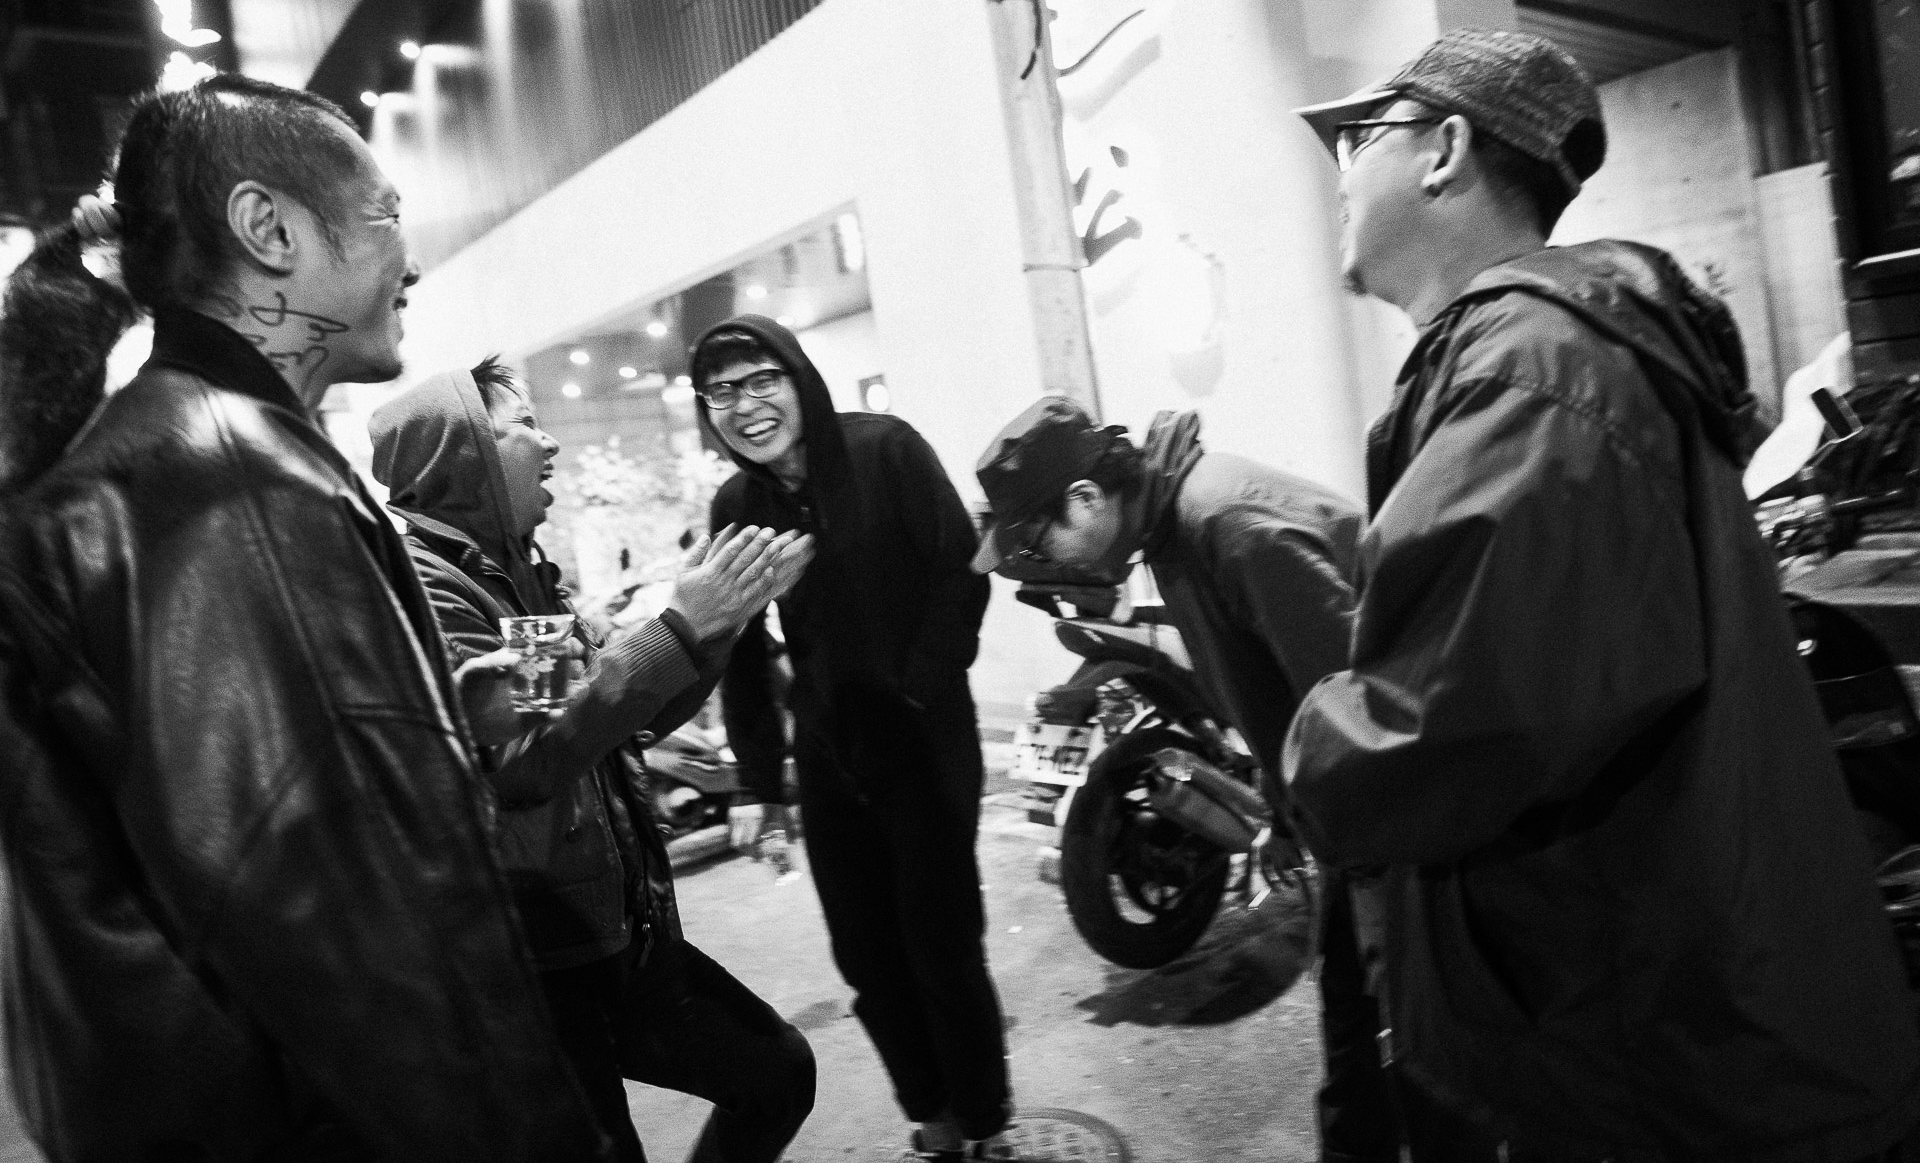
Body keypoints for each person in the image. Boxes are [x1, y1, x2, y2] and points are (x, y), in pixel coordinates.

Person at [1284, 27, 1920, 1160]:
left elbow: (1443, 727)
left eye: (1359, 137)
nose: (1338, 172)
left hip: (1657, 1063)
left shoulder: (1532, 377)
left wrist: (1303, 762)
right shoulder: (1544, 355)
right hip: (1662, 1026)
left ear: (1445, 150)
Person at [0, 75, 608, 1160]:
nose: (408, 258)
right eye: (384, 214)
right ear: (268, 229)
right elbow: (380, 958)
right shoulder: (237, 488)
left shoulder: (166, 457)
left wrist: (425, 720)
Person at [369, 358, 817, 1163]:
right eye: (523, 426)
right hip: (537, 962)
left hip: (618, 929)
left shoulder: (522, 574)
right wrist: (680, 627)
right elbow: (528, 761)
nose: (550, 445)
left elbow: (617, 720)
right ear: (464, 456)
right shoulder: (434, 593)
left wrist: (719, 627)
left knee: (777, 1072)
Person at [969, 396, 1401, 1163]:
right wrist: (1284, 813)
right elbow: (1271, 692)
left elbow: (1361, 706)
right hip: (1351, 822)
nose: (1046, 561)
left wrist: (1374, 872)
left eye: (1038, 539)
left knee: (1419, 1050)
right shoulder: (1171, 535)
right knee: (1357, 1041)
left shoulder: (1228, 524)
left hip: (1397, 824)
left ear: (1086, 498)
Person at [691, 317, 1009, 1162]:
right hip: (829, 755)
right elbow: (738, 648)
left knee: (942, 946)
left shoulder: (886, 451)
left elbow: (959, 572)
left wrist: (915, 689)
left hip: (924, 743)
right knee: (866, 955)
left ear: (799, 377)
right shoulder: (738, 507)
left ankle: (986, 1120)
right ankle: (932, 1114)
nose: (746, 405)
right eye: (722, 391)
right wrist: (760, 782)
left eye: (762, 379)